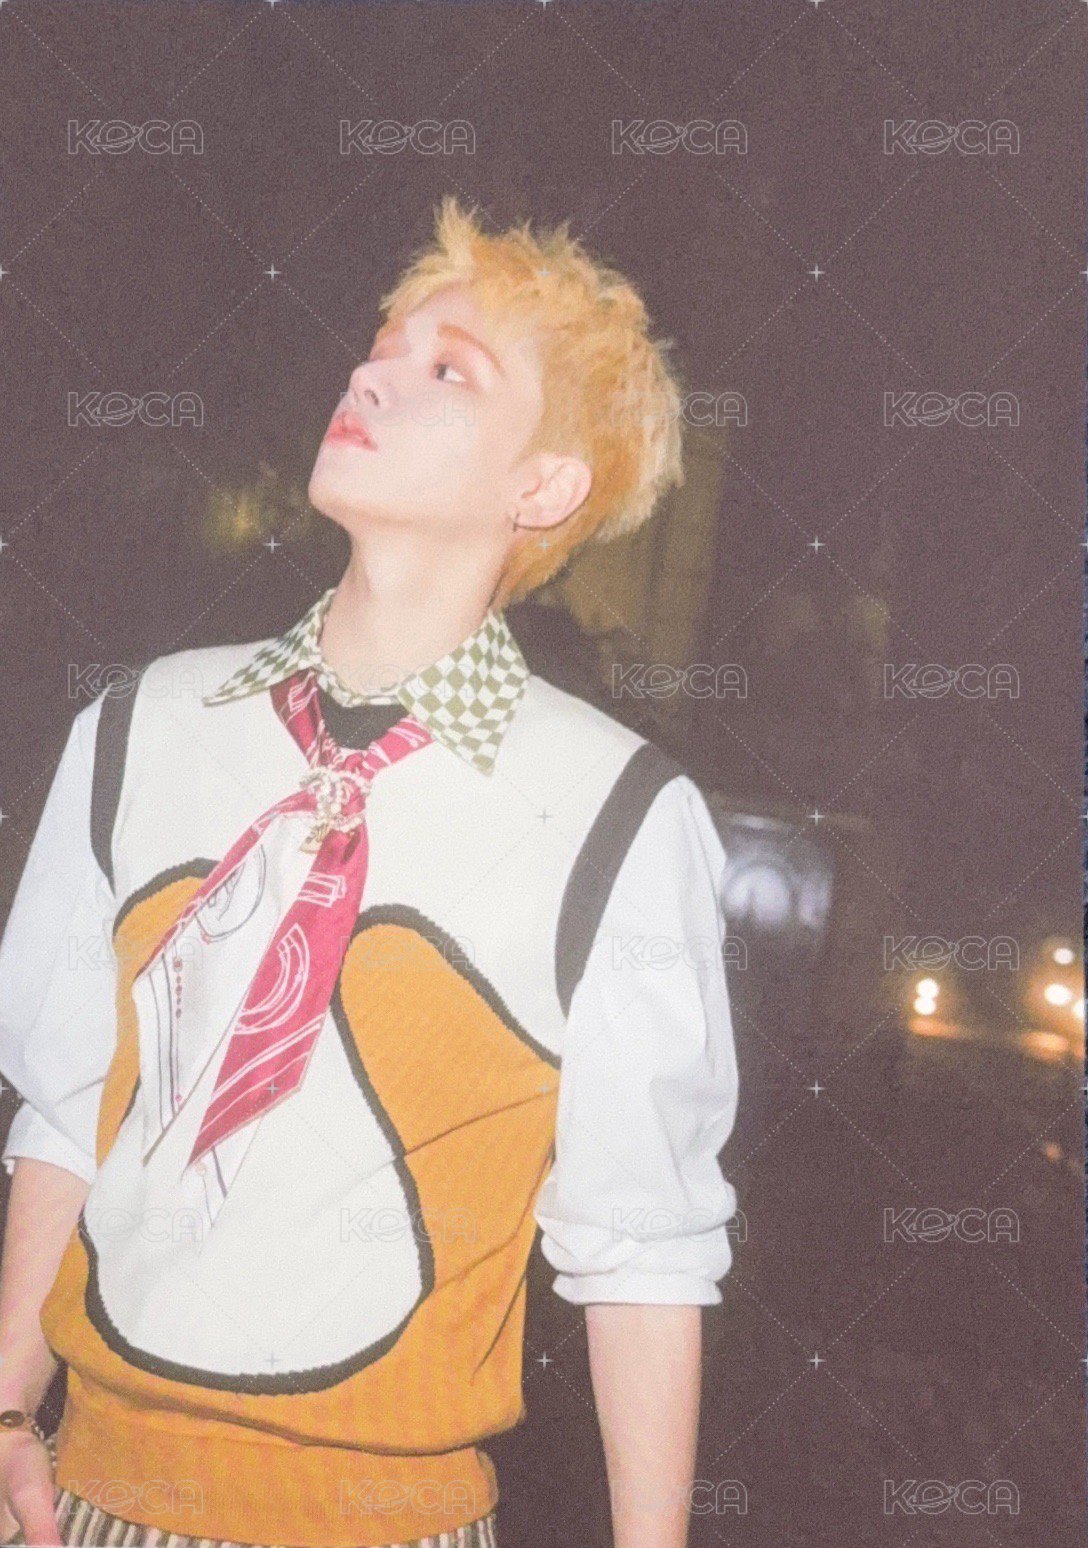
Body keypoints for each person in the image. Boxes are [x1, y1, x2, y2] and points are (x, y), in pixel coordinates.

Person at [0, 196, 740, 1548]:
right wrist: (4, 1411)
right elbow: (65, 1109)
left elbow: (643, 1250)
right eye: (383, 348)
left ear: (543, 487)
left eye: (450, 369)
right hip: (91, 1501)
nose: (373, 375)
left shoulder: (622, 813)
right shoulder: (137, 728)